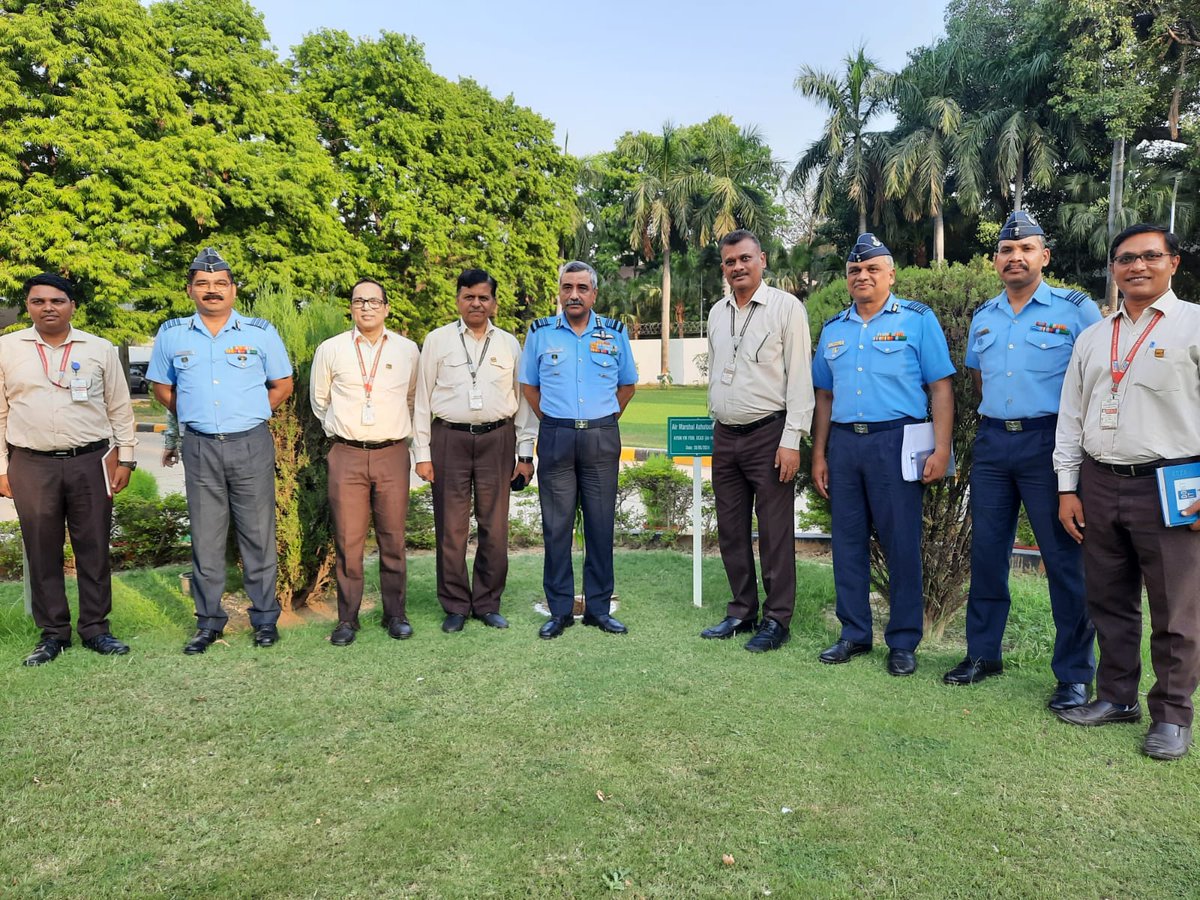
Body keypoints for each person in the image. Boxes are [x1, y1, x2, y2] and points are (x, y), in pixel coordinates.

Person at [1053, 223, 1200, 760]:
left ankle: (1172, 714)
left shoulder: (1194, 326)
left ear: (1173, 263)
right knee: (1109, 601)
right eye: (1125, 259)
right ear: (1113, 268)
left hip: (1172, 481)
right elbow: (1072, 416)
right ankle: (1116, 698)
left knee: (1176, 608)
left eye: (1149, 257)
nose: (1137, 267)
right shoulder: (1094, 336)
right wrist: (1068, 487)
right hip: (1099, 479)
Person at [943, 211, 1100, 712]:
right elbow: (979, 381)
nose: (1016, 257)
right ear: (996, 261)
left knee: (1063, 560)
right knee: (987, 554)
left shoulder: (1077, 310)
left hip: (1049, 444)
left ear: (1044, 256)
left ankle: (1074, 674)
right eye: (1007, 251)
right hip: (993, 444)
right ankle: (983, 655)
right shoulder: (985, 315)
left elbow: (1096, 381)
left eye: (1026, 249)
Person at [810, 234, 955, 676]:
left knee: (901, 544)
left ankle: (903, 641)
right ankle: (853, 633)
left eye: (873, 268)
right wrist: (819, 455)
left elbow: (941, 387)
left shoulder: (917, 320)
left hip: (896, 441)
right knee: (847, 542)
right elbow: (824, 396)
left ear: (891, 274)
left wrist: (942, 448)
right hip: (845, 444)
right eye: (855, 270)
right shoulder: (834, 328)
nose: (863, 275)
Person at [147, 247, 293, 654]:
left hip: (250, 443)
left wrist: (247, 414)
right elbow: (162, 387)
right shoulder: (172, 333)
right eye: (203, 284)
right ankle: (209, 623)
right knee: (206, 540)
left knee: (258, 537)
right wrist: (193, 413)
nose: (212, 290)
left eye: (220, 283)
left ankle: (264, 621)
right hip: (200, 447)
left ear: (233, 288)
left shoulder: (260, 332)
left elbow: (282, 384)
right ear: (190, 289)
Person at [0, 273, 137, 666]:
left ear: (71, 305)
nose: (48, 308)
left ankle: (96, 628)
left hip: (90, 461)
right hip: (31, 463)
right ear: (27, 306)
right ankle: (53, 633)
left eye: (57, 301)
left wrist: (125, 457)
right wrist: (1, 469)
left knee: (93, 547)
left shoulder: (99, 348)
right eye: (38, 301)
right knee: (41, 550)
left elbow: (119, 406)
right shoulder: (7, 349)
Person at [700, 229, 814, 652]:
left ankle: (777, 619)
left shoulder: (786, 309)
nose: (737, 267)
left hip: (769, 434)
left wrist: (792, 440)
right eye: (730, 262)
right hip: (725, 436)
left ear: (762, 260)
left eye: (745, 259)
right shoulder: (716, 312)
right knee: (730, 529)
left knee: (774, 532)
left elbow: (800, 377)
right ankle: (742, 611)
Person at [413, 270, 536, 633]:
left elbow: (524, 404)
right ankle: (455, 604)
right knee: (450, 528)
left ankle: (486, 602)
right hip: (448, 439)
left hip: (497, 440)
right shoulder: (437, 341)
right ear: (458, 300)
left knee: (494, 527)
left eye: (483, 297)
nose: (476, 303)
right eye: (469, 297)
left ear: (494, 302)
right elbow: (421, 399)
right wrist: (422, 452)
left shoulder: (509, 344)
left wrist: (525, 454)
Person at [520, 261, 637, 639]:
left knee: (601, 526)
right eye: (567, 287)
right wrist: (556, 421)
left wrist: (602, 419)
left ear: (594, 294)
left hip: (602, 436)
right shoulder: (539, 332)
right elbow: (530, 388)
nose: (574, 294)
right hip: (556, 437)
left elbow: (627, 386)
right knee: (556, 528)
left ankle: (599, 610)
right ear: (559, 292)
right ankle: (559, 611)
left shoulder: (615, 332)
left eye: (582, 288)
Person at [311, 277, 420, 645]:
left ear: (387, 308)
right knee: (348, 540)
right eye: (359, 301)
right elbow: (319, 399)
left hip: (392, 453)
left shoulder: (407, 350)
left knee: (393, 538)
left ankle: (396, 614)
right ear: (352, 307)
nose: (367, 307)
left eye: (374, 301)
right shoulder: (331, 349)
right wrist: (342, 430)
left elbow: (412, 399)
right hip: (347, 454)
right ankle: (347, 619)